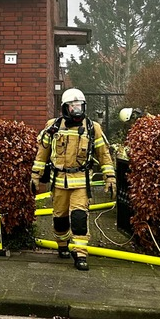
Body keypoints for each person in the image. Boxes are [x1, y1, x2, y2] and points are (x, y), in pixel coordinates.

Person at [31, 88, 116, 271]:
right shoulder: (53, 126)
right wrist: (35, 176)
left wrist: (110, 177)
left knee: (79, 217)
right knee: (60, 219)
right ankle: (62, 245)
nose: (76, 109)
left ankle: (80, 254)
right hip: (59, 182)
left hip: (81, 182)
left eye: (79, 105)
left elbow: (104, 155)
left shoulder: (93, 128)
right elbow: (42, 154)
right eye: (72, 106)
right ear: (65, 108)